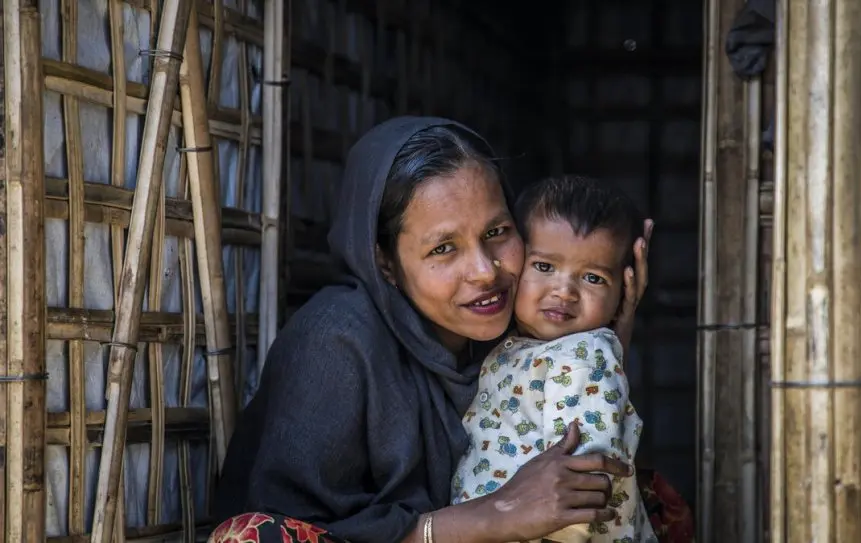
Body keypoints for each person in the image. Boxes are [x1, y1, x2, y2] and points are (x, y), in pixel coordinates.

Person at [208, 116, 652, 543]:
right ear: (383, 260)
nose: (484, 271)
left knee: (639, 493)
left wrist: (604, 336)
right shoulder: (337, 341)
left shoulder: (517, 334)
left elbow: (580, 434)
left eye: (497, 231)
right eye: (444, 248)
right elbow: (293, 525)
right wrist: (493, 515)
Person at [450, 176, 657, 543]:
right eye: (545, 267)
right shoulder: (516, 346)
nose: (564, 291)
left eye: (592, 278)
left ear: (623, 292)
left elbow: (584, 483)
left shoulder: (586, 358)